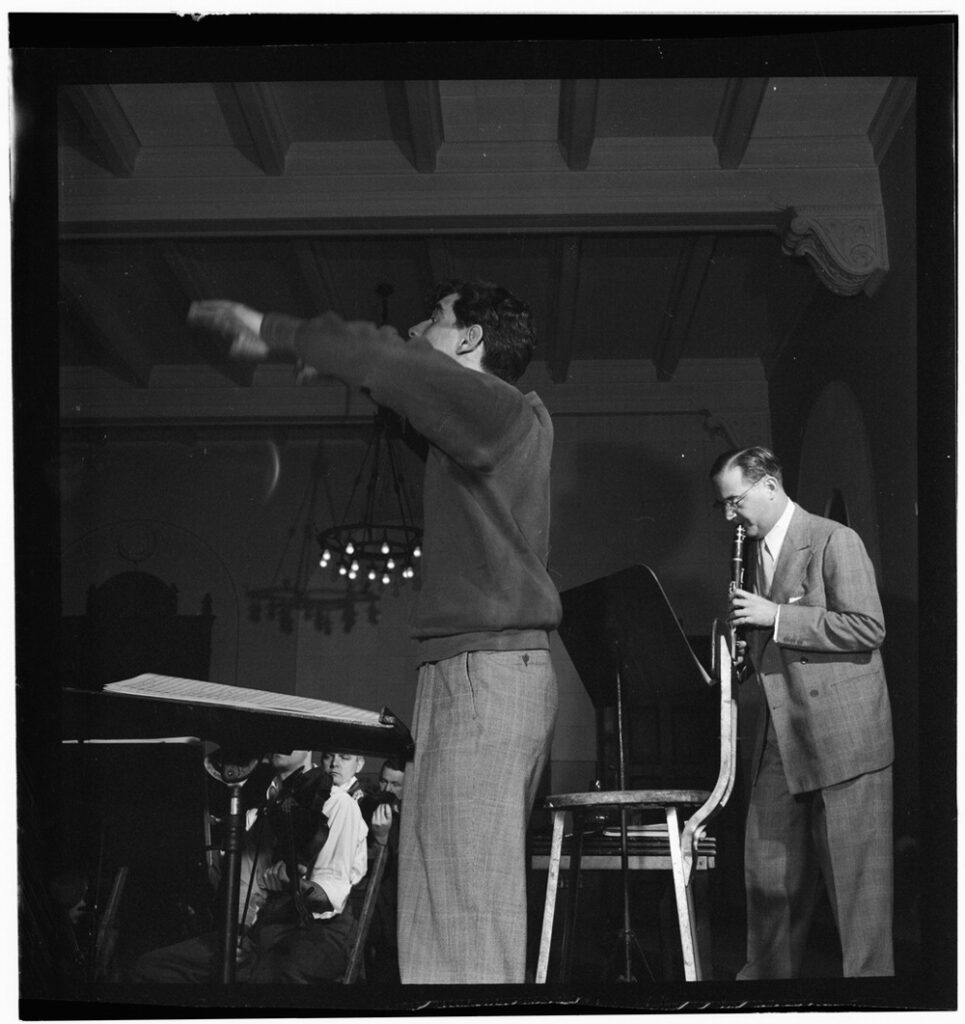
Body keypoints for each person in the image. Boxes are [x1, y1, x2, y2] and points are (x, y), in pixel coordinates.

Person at [189, 279, 561, 984]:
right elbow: (403, 391)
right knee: (431, 897)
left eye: (435, 319)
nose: (419, 327)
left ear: (470, 340)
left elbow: (397, 364)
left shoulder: (500, 408)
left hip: (487, 671)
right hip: (462, 672)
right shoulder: (482, 428)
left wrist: (272, 325)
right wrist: (347, 370)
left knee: (465, 905)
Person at [710, 446, 894, 979]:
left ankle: (872, 1005)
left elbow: (868, 627)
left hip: (846, 740)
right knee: (767, 886)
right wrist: (743, 654)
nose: (729, 516)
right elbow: (771, 645)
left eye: (734, 501)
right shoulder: (750, 552)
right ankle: (765, 1001)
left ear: (769, 485)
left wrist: (777, 616)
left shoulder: (836, 540)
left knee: (859, 902)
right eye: (723, 505)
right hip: (779, 736)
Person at [134, 749, 368, 984]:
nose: (280, 743)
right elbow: (246, 884)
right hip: (265, 929)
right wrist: (237, 935)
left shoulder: (338, 804)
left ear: (308, 746)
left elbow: (329, 895)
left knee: (265, 980)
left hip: (319, 933)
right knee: (153, 966)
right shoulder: (266, 806)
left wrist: (297, 885)